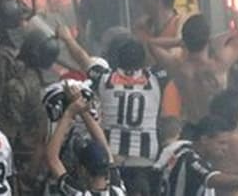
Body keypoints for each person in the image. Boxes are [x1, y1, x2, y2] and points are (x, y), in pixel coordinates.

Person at [61, 29, 166, 192]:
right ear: (144, 61)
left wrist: (66, 38)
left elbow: (81, 57)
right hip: (144, 161)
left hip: (113, 158)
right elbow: (176, 61)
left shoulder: (104, 79)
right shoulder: (157, 78)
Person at [141, 0, 238, 122]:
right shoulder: (219, 64)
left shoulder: (178, 68)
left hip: (194, 128)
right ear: (207, 39)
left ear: (185, 40)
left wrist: (180, 42)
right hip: (219, 127)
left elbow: (152, 44)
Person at [0, 29, 60, 193]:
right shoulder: (62, 84)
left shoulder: (16, 86)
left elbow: (7, 134)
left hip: (24, 165)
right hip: (55, 165)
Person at [46, 86, 126, 196]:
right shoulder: (117, 190)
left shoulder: (80, 194)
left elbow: (52, 158)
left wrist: (70, 112)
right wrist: (83, 111)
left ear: (83, 170)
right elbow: (104, 146)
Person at [155, 115, 238, 195]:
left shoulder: (183, 152)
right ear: (204, 140)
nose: (225, 148)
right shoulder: (188, 157)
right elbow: (213, 179)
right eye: (221, 143)